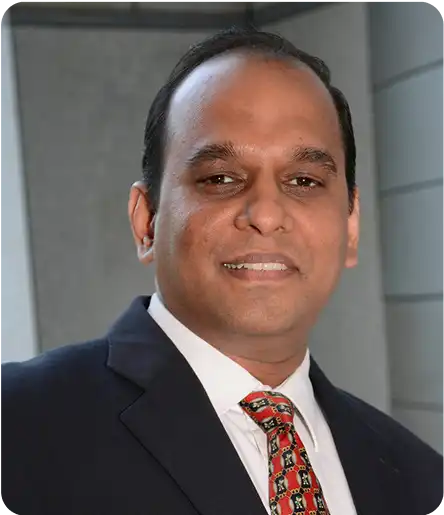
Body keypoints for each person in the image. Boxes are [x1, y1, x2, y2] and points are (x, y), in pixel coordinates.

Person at [0, 27, 443, 515]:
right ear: (147, 221)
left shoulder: (420, 478)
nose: (266, 214)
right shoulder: (18, 427)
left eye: (304, 181)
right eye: (220, 178)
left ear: (351, 225)